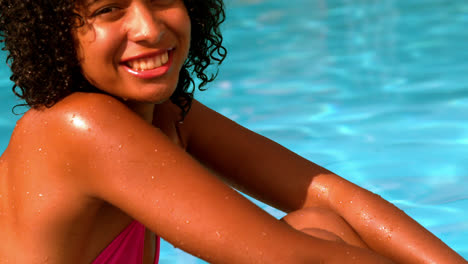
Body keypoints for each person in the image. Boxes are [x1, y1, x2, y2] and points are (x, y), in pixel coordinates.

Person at [0, 0, 465, 263]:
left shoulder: (161, 114)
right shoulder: (78, 127)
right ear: (56, 33)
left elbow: (325, 194)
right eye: (109, 9)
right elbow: (286, 261)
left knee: (317, 225)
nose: (148, 28)